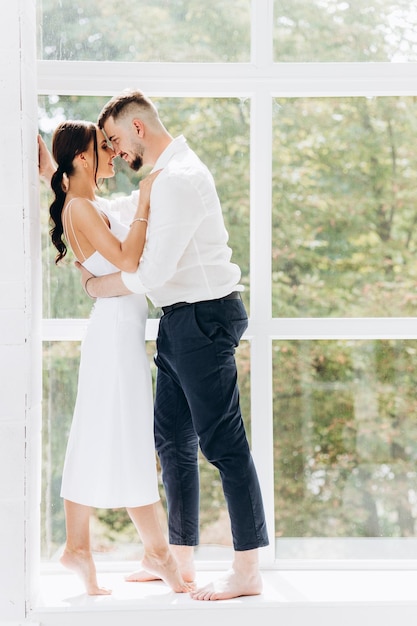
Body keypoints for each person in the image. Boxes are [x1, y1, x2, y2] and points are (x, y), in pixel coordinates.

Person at [74, 90, 270, 602]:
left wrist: (98, 287)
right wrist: (54, 167)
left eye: (115, 140)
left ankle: (247, 570)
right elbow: (116, 212)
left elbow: (151, 271)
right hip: (182, 320)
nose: (116, 154)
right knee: (172, 443)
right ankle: (178, 559)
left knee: (222, 446)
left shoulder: (179, 181)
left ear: (138, 128)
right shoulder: (162, 181)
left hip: (204, 317)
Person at [38, 122, 193, 596]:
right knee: (126, 438)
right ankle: (156, 553)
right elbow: (129, 261)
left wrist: (41, 145)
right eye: (102, 148)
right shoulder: (81, 208)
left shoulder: (84, 203)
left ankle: (82, 547)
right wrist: (146, 202)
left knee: (108, 434)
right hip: (113, 334)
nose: (112, 154)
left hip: (118, 331)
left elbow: (52, 168)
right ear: (82, 159)